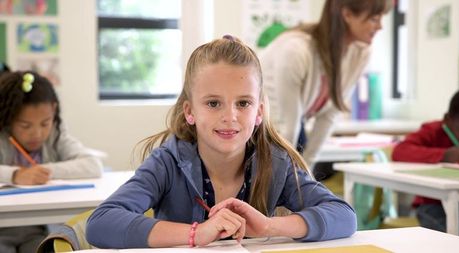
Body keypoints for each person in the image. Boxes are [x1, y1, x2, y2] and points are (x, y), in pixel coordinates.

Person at [86, 36, 356, 249]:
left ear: (259, 112)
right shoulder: (167, 162)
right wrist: (196, 233)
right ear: (190, 112)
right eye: (213, 103)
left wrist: (268, 227)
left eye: (243, 103)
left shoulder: (276, 164)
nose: (230, 117)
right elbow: (101, 223)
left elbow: (344, 217)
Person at [259, 0, 391, 167]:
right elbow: (285, 125)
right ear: (347, 15)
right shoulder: (295, 51)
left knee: (306, 176)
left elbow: (331, 113)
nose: (380, 27)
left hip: (294, 124)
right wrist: (287, 177)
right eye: (374, 19)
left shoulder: (360, 52)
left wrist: (307, 170)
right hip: (264, 126)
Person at [0, 71, 103, 253]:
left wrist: (45, 171)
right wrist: (16, 175)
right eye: (25, 125)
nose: (37, 134)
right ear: (8, 119)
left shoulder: (56, 132)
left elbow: (92, 165)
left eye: (45, 123)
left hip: (38, 230)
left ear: (53, 110)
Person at [392, 87, 459, 240]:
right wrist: (444, 155)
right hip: (433, 204)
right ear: (447, 119)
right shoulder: (433, 131)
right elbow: (400, 151)